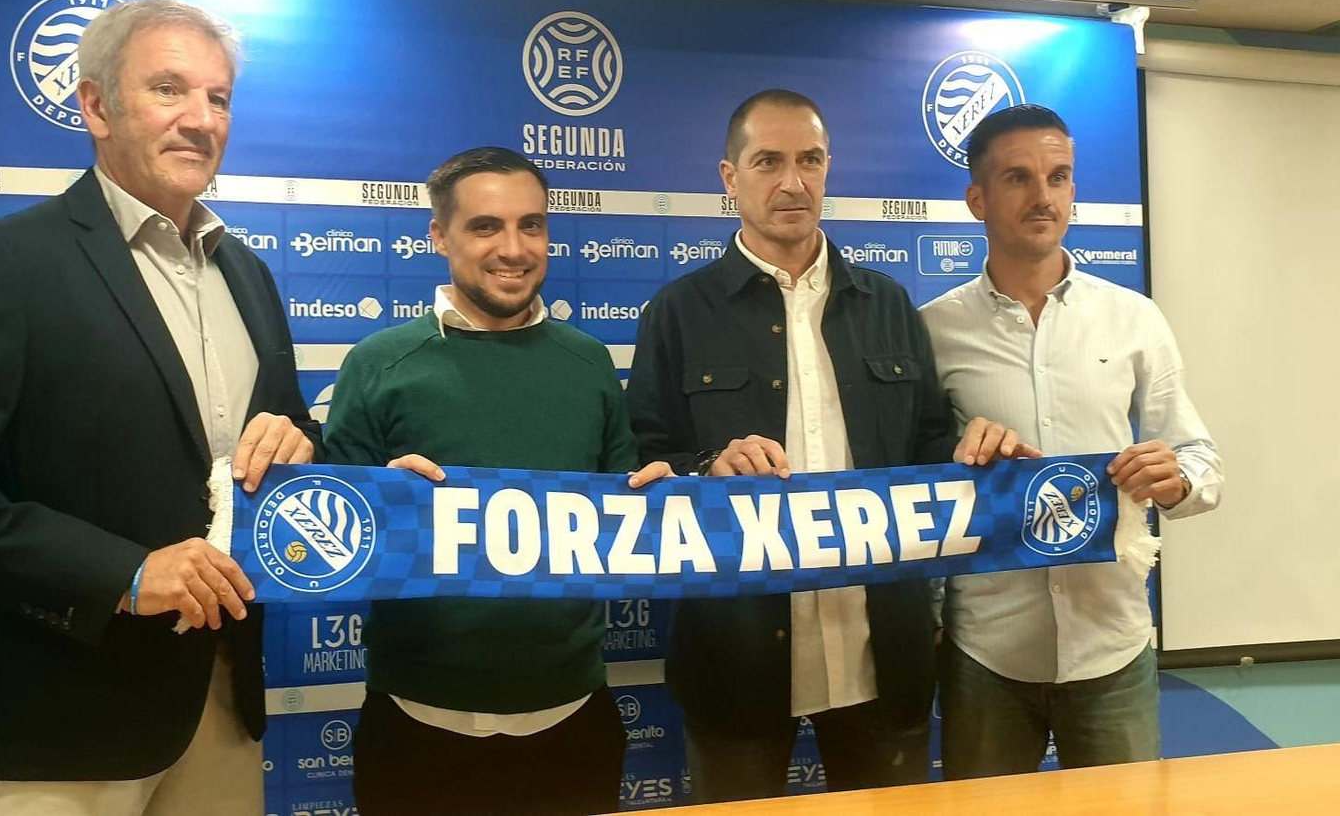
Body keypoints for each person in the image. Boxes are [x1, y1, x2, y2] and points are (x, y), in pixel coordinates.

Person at [0, 0, 320, 815]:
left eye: (218, 98)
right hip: (60, 720)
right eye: (169, 90)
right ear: (96, 106)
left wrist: (307, 448)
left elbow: (270, 449)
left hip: (221, 707)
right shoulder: (7, 260)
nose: (200, 119)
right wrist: (126, 573)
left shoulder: (247, 273)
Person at [628, 89, 1014, 800]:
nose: (792, 182)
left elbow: (926, 440)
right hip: (734, 656)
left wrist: (972, 444)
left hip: (880, 652)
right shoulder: (678, 312)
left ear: (828, 167)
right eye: (768, 161)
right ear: (729, 177)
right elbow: (639, 460)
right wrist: (706, 466)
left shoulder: (888, 304)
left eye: (809, 160)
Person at [323, 146, 670, 815]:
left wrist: (658, 504)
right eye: (486, 227)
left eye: (531, 225)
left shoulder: (590, 362)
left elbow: (624, 528)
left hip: (575, 723)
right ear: (438, 236)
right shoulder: (376, 365)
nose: (513, 248)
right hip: (416, 729)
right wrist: (379, 506)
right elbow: (331, 548)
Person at [920, 103, 1222, 779]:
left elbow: (1203, 461)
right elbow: (910, 474)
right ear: (978, 198)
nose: (1043, 196)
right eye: (1019, 178)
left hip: (1111, 642)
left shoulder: (1134, 319)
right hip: (985, 651)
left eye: (1059, 177)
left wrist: (1175, 479)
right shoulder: (931, 332)